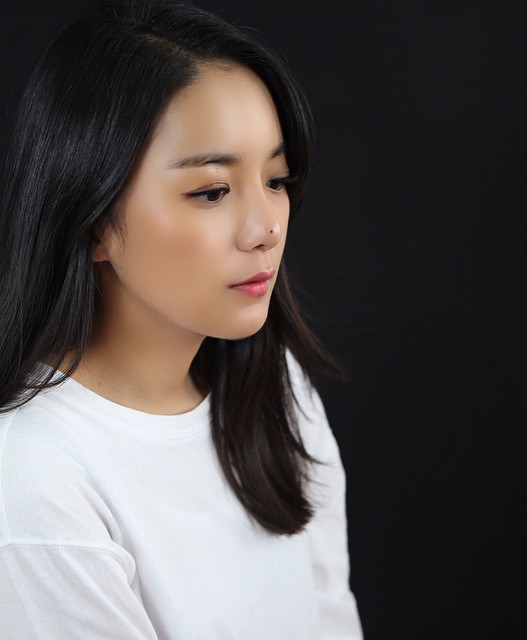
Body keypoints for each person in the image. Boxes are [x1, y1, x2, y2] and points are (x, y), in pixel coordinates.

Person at [0, 0, 363, 637]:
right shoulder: (37, 481)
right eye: (212, 191)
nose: (265, 228)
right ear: (92, 220)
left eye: (277, 180)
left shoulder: (276, 388)